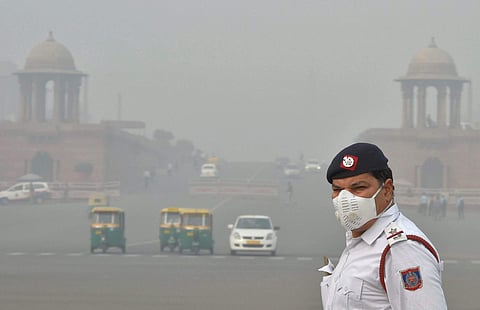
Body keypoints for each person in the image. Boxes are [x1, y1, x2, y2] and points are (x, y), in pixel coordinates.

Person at [319, 142, 447, 309]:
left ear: (386, 190)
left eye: (358, 188)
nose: (345, 199)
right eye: (337, 190)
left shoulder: (402, 249)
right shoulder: (361, 240)